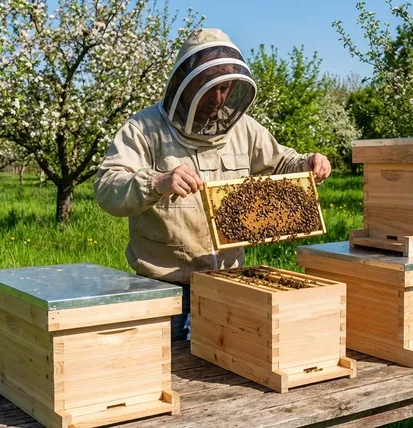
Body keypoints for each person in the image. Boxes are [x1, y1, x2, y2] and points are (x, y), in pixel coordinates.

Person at [93, 28, 332, 342]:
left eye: (224, 88)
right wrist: (156, 181)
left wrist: (308, 162)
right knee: (170, 366)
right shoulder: (144, 129)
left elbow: (280, 161)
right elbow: (108, 188)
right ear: (185, 82)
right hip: (166, 287)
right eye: (208, 88)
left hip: (230, 281)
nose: (217, 99)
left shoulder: (243, 128)